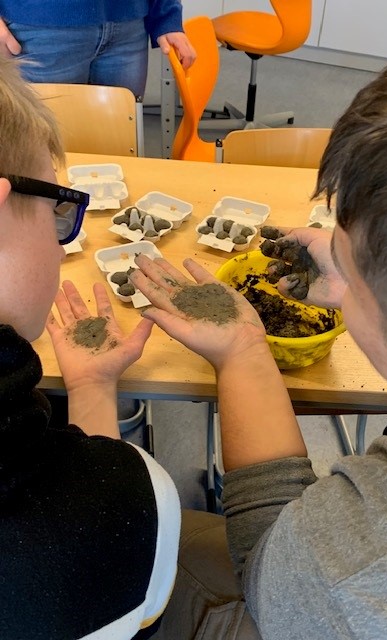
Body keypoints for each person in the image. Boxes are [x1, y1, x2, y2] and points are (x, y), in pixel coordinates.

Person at [129, 30, 387, 639]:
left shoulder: (373, 567)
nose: (331, 263)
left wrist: (243, 352)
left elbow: (273, 560)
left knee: (156, 550)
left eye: (350, 273)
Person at [0, 55, 181, 640]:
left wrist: (90, 384)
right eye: (57, 211)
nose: (60, 246)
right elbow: (94, 507)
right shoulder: (133, 505)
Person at [0, 0, 196, 98]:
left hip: (127, 26)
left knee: (118, 148)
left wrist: (166, 13)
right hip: (40, 28)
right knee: (43, 151)